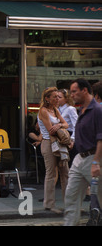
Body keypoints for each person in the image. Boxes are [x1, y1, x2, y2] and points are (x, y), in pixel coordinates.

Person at [64, 79, 102, 225]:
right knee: (71, 197)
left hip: (94, 157)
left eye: (74, 91)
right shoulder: (81, 110)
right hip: (79, 158)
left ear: (84, 91)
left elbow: (101, 139)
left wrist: (96, 162)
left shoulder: (97, 110)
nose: (71, 95)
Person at [37, 87, 69, 214]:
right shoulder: (43, 111)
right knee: (51, 174)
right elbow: (50, 130)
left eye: (58, 96)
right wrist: (59, 126)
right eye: (54, 97)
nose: (57, 99)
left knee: (65, 173)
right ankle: (49, 204)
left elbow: (66, 124)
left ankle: (69, 204)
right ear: (47, 99)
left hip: (59, 143)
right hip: (48, 143)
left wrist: (60, 125)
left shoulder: (55, 110)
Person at [57, 88, 78, 163]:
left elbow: (76, 125)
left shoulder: (70, 109)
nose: (57, 99)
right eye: (56, 97)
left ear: (66, 99)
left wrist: (72, 139)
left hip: (69, 136)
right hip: (60, 137)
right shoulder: (57, 109)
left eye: (60, 97)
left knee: (69, 161)